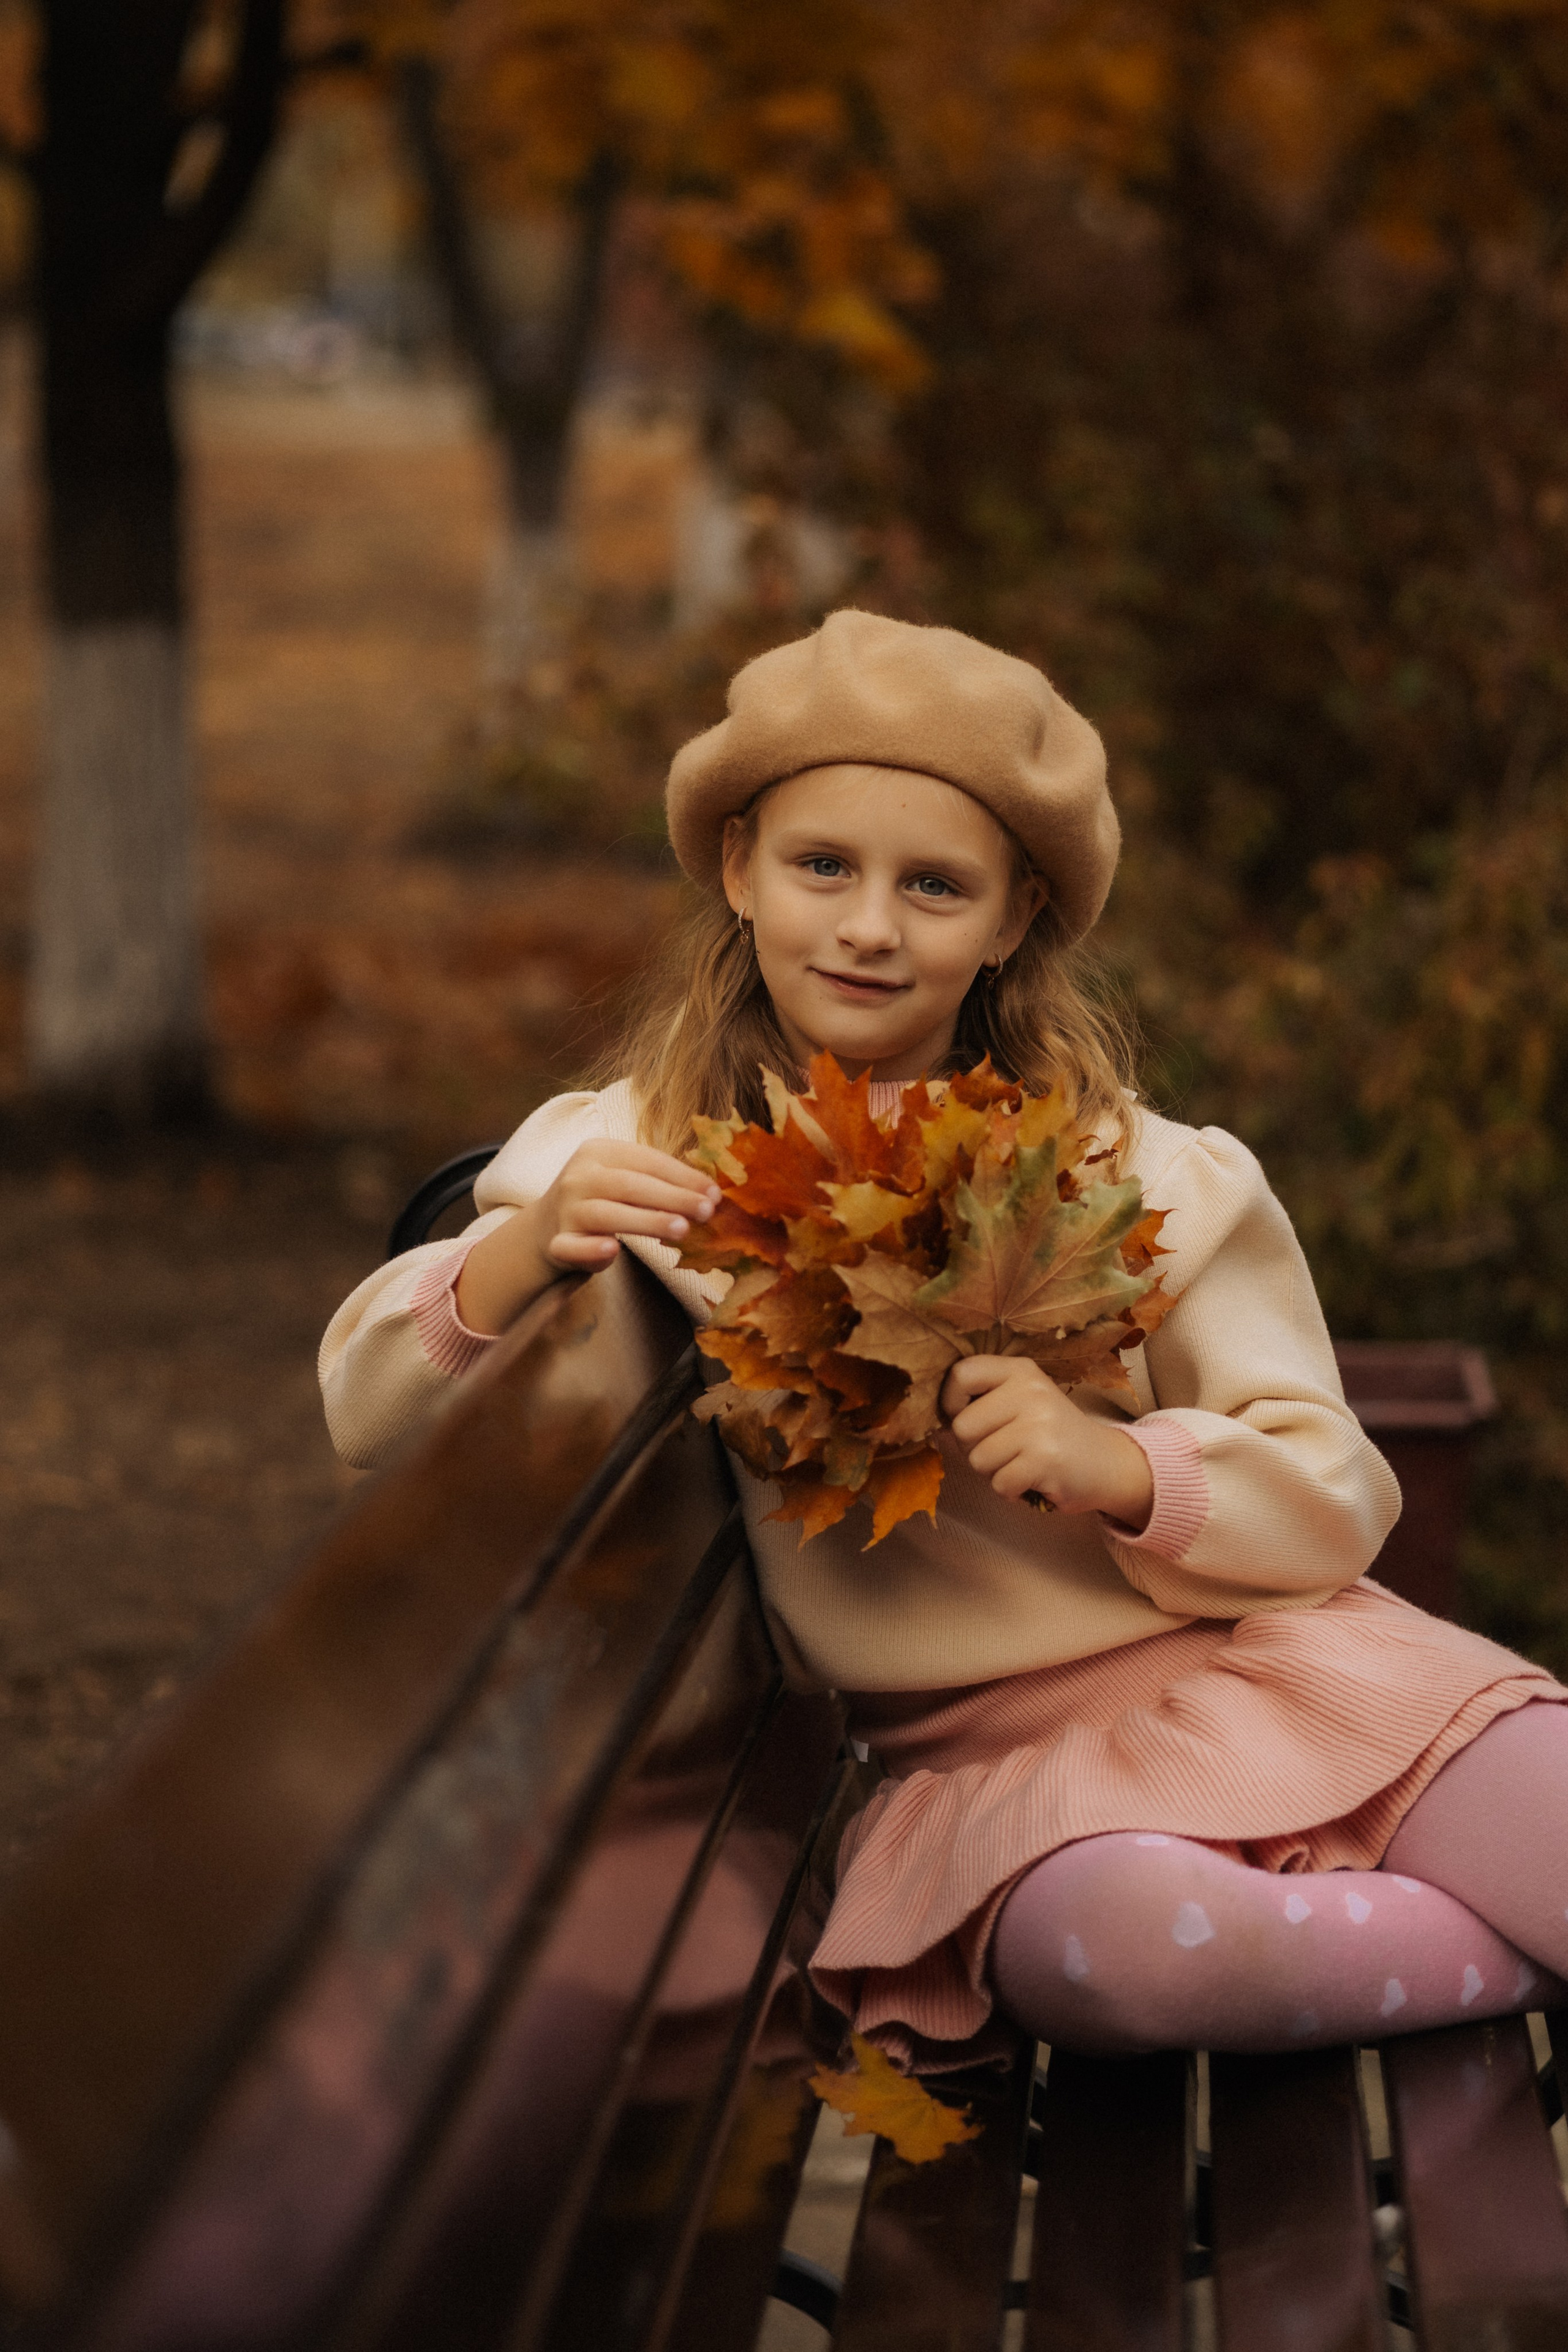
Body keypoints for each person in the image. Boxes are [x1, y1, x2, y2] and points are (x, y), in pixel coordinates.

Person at [321, 609, 1568, 2070]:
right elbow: (367, 1415)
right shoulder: (637, 1159)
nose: (867, 925)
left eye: (932, 884)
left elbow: (1336, 1501)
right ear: (738, 868)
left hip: (1292, 1668)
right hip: (1008, 1771)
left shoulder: (1140, 1178)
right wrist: (519, 1248)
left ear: (1013, 916)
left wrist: (1120, 1467)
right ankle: (1506, 1961)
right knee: (1124, 1967)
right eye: (821, 867)